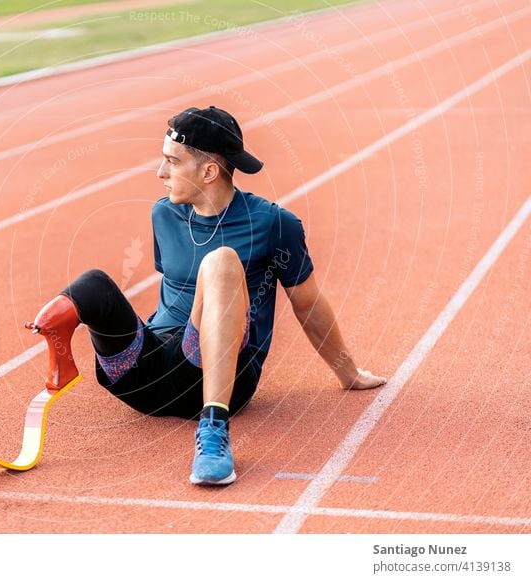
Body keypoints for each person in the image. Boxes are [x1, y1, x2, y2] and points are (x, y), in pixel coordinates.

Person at [25, 106, 387, 486]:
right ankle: (58, 352)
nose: (160, 173)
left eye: (171, 162)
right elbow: (174, 296)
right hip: (145, 380)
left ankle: (214, 431)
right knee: (93, 284)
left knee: (221, 263)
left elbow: (308, 303)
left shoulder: (274, 224)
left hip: (215, 376)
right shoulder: (163, 214)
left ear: (209, 171)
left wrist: (348, 373)